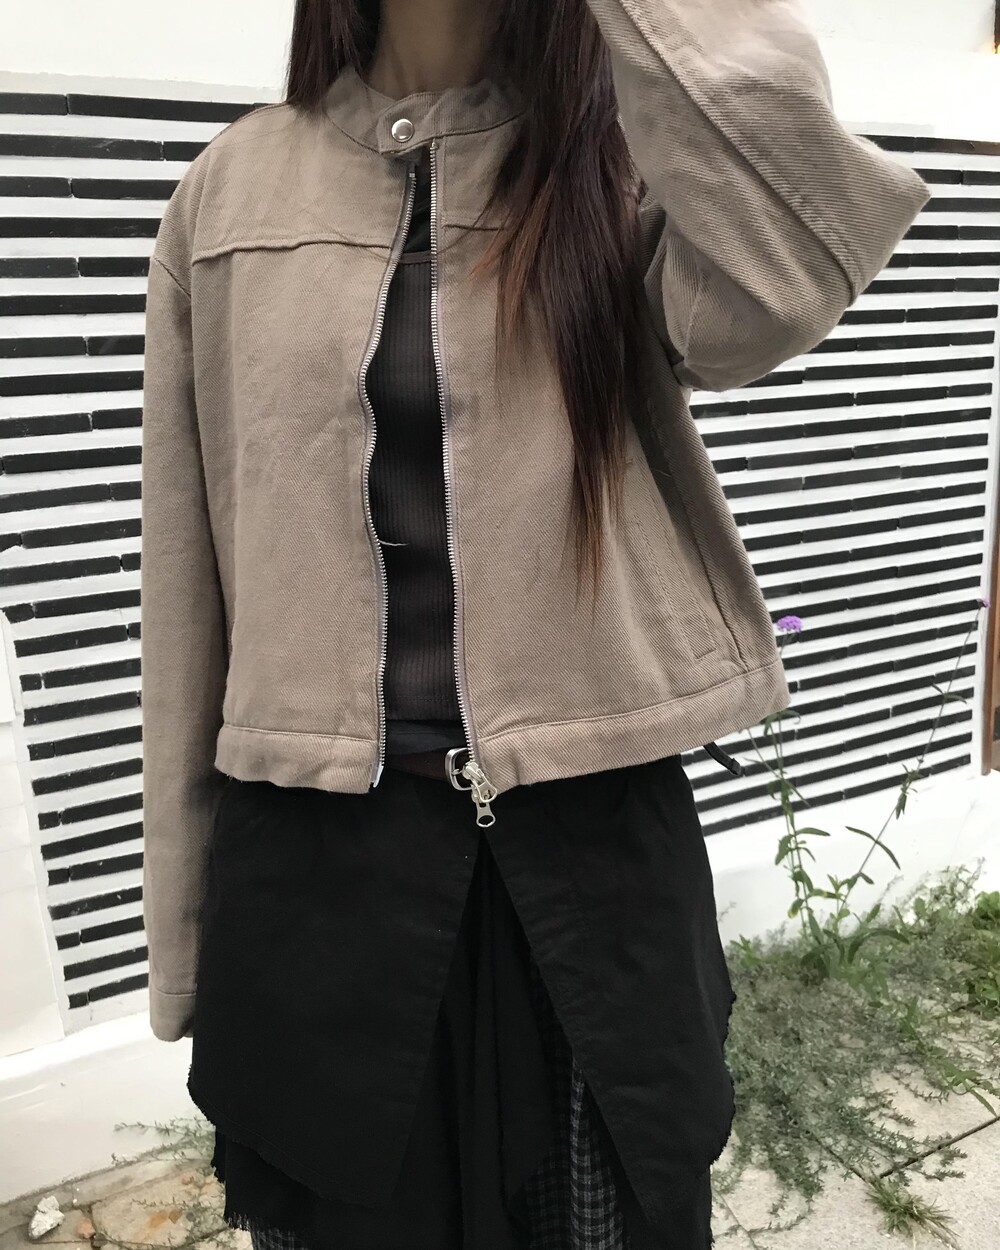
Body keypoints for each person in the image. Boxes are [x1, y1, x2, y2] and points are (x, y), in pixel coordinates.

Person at [138, 0, 930, 1246]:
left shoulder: (628, 165)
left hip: (590, 859)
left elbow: (794, 261)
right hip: (317, 883)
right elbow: (186, 580)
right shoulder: (228, 192)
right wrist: (185, 932)